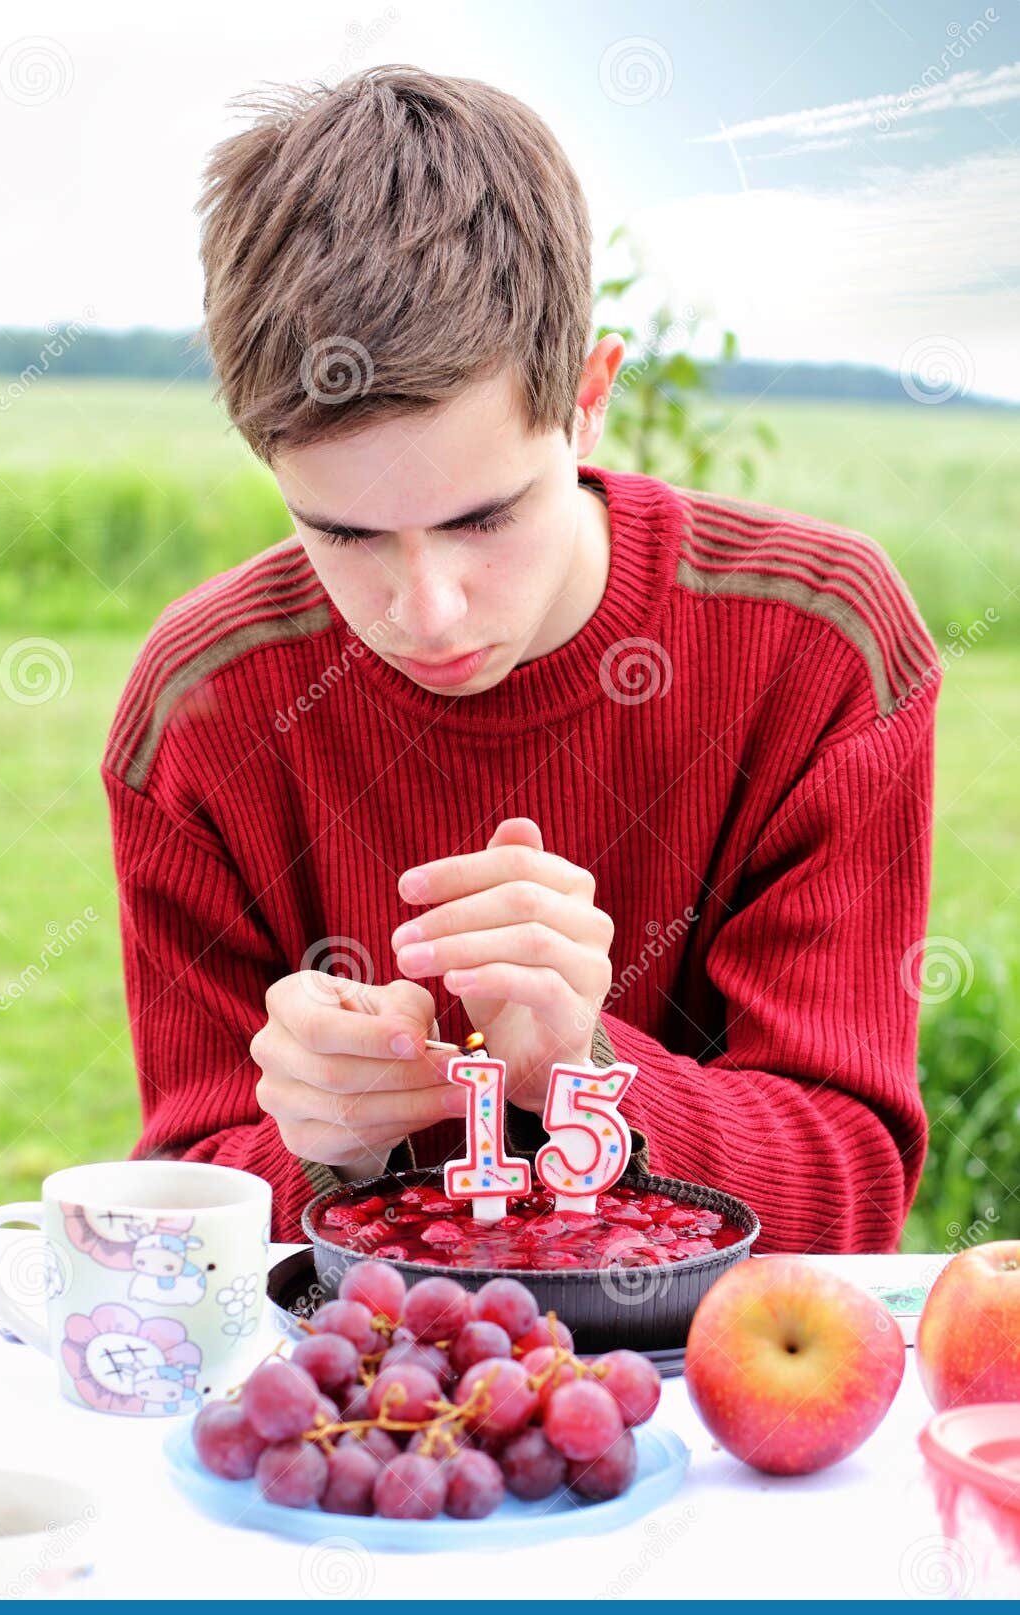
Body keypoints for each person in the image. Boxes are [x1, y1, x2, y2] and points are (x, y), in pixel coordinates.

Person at [103, 66, 941, 1249]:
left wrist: (588, 1067)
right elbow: (181, 1210)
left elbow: (848, 1193)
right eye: (342, 533)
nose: (426, 610)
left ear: (588, 399)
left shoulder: (815, 642)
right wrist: (320, 1146)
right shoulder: (200, 711)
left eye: (483, 518)